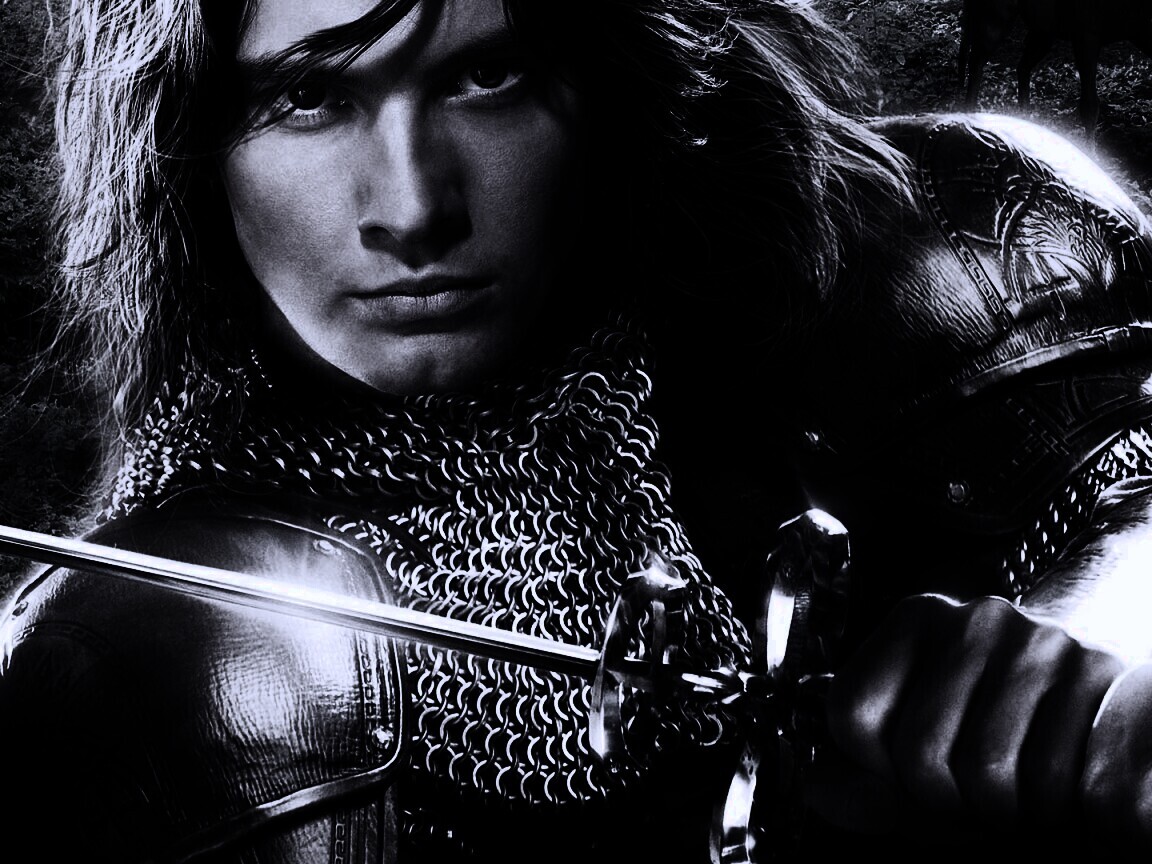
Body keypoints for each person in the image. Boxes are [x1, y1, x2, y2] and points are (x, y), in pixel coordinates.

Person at [3, 0, 1152, 861]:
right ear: (188, 147)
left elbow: (1129, 486)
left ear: (608, 73)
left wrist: (1093, 653)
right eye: (309, 97)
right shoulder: (145, 655)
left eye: (485, 75)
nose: (414, 209)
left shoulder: (948, 252)